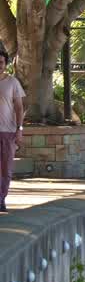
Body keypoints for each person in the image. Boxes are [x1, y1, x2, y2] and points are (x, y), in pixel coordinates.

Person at [0, 50, 25, 212]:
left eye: (1, 62)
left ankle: (1, 198)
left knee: (6, 169)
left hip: (8, 132)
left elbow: (19, 107)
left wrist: (19, 129)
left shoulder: (12, 82)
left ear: (5, 64)